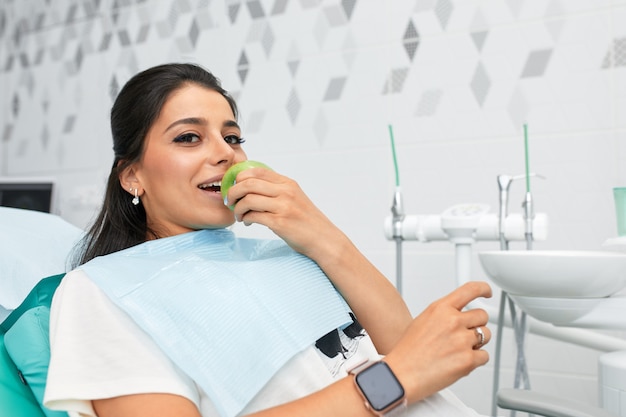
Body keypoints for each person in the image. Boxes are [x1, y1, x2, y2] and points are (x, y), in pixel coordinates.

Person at [43, 63, 493, 417]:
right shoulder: (99, 291)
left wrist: (320, 231)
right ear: (132, 175)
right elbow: (407, 365)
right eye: (189, 137)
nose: (224, 152)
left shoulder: (281, 249)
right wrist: (396, 378)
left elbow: (406, 346)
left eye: (233, 137)